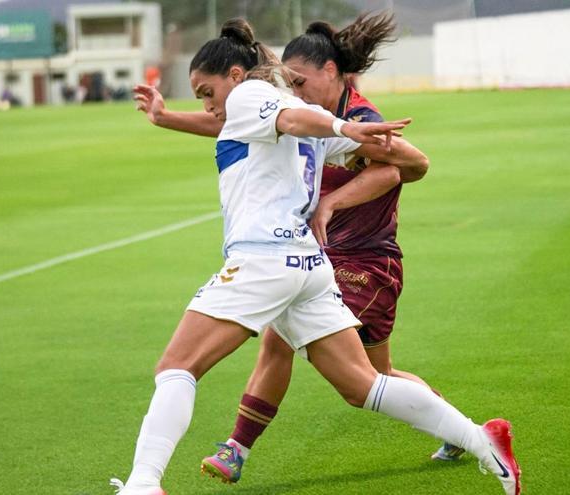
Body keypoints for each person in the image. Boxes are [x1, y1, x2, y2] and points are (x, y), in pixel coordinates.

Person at [111, 18, 520, 495]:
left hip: (264, 259)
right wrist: (362, 136)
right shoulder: (287, 111)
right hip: (309, 267)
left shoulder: (252, 98)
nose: (207, 103)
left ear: (237, 76)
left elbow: (288, 119)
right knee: (364, 385)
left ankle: (144, 483)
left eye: (207, 90)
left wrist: (347, 125)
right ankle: (482, 439)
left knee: (176, 368)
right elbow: (397, 157)